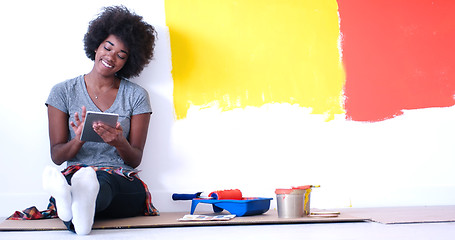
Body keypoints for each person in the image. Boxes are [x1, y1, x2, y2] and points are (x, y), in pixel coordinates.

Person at [43, 6, 159, 235]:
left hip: (119, 179)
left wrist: (118, 142)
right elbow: (57, 156)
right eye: (108, 47)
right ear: (96, 45)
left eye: (121, 55)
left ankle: (74, 205)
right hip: (75, 173)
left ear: (129, 61)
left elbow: (135, 159)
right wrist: (78, 139)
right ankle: (78, 208)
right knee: (79, 184)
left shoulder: (136, 96)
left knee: (101, 184)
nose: (111, 57)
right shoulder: (62, 92)